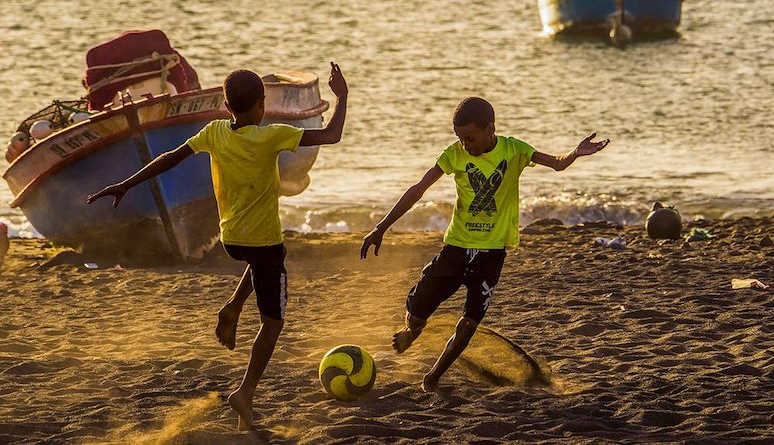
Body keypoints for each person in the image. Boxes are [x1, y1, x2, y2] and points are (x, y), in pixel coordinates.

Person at [87, 63, 349, 429]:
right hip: (261, 241)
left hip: (231, 241)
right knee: (273, 322)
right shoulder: (273, 135)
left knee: (265, 261)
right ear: (261, 105)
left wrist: (126, 184)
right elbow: (332, 134)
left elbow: (169, 158)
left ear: (227, 108)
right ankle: (245, 392)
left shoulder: (213, 132)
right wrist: (343, 95)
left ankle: (231, 307)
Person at [360, 97, 608, 392]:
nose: (466, 145)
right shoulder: (454, 155)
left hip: (491, 255)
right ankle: (413, 330)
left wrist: (575, 153)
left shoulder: (514, 149)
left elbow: (557, 164)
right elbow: (418, 190)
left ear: (491, 128)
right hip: (455, 249)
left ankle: (432, 378)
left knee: (468, 323)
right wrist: (381, 226)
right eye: (460, 139)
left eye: (470, 138)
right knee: (415, 315)